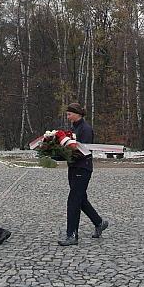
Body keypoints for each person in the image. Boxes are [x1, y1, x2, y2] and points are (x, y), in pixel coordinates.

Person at [58, 102, 109, 246]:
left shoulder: (86, 129)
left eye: (69, 114)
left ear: (77, 114)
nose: (67, 117)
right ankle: (99, 223)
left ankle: (72, 235)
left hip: (83, 168)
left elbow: (83, 151)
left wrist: (65, 154)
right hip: (73, 167)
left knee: (73, 200)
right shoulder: (73, 128)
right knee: (81, 200)